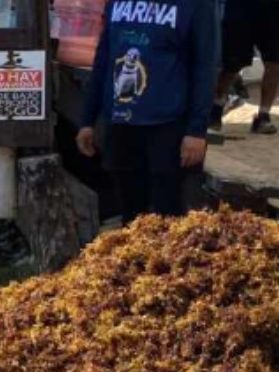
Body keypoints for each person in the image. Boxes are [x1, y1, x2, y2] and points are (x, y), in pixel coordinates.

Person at [76, 0, 216, 222]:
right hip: (120, 123)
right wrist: (87, 120)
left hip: (169, 126)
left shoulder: (196, 5)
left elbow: (205, 67)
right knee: (130, 214)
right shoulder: (116, 3)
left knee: (168, 214)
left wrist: (197, 131)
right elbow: (103, 59)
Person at [209, 0, 279, 133]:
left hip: (272, 10)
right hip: (240, 8)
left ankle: (264, 115)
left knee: (274, 64)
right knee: (232, 66)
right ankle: (216, 109)